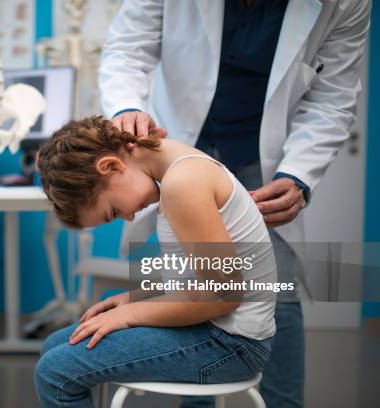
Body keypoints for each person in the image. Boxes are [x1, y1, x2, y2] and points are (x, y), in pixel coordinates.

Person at [98, 1, 371, 407]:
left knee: (278, 291)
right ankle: (196, 398)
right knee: (183, 286)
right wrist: (126, 108)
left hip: (262, 159)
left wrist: (298, 175)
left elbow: (333, 96)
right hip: (181, 141)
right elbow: (127, 48)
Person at [34, 115, 278, 408]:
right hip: (218, 331)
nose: (127, 217)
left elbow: (223, 295)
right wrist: (134, 298)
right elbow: (195, 279)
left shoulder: (184, 184)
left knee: (55, 373)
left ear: (110, 166)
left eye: (112, 211)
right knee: (55, 346)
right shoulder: (176, 169)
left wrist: (131, 314)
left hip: (230, 345)